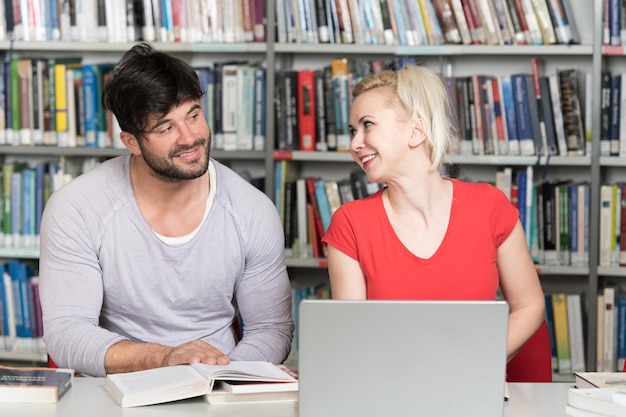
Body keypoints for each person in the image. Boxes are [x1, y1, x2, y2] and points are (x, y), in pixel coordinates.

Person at [39, 43, 294, 377]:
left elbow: (270, 328)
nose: (190, 138)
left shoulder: (251, 210)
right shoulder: (77, 208)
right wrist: (165, 359)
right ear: (131, 142)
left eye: (193, 115)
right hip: (115, 388)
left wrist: (221, 374)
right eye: (166, 127)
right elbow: (68, 334)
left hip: (220, 383)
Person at [322, 64, 545, 361]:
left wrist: (472, 363)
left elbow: (529, 306)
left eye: (367, 125)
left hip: (474, 392)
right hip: (391, 395)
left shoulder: (489, 207)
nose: (354, 144)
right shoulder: (350, 223)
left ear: (416, 131)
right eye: (352, 131)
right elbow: (356, 338)